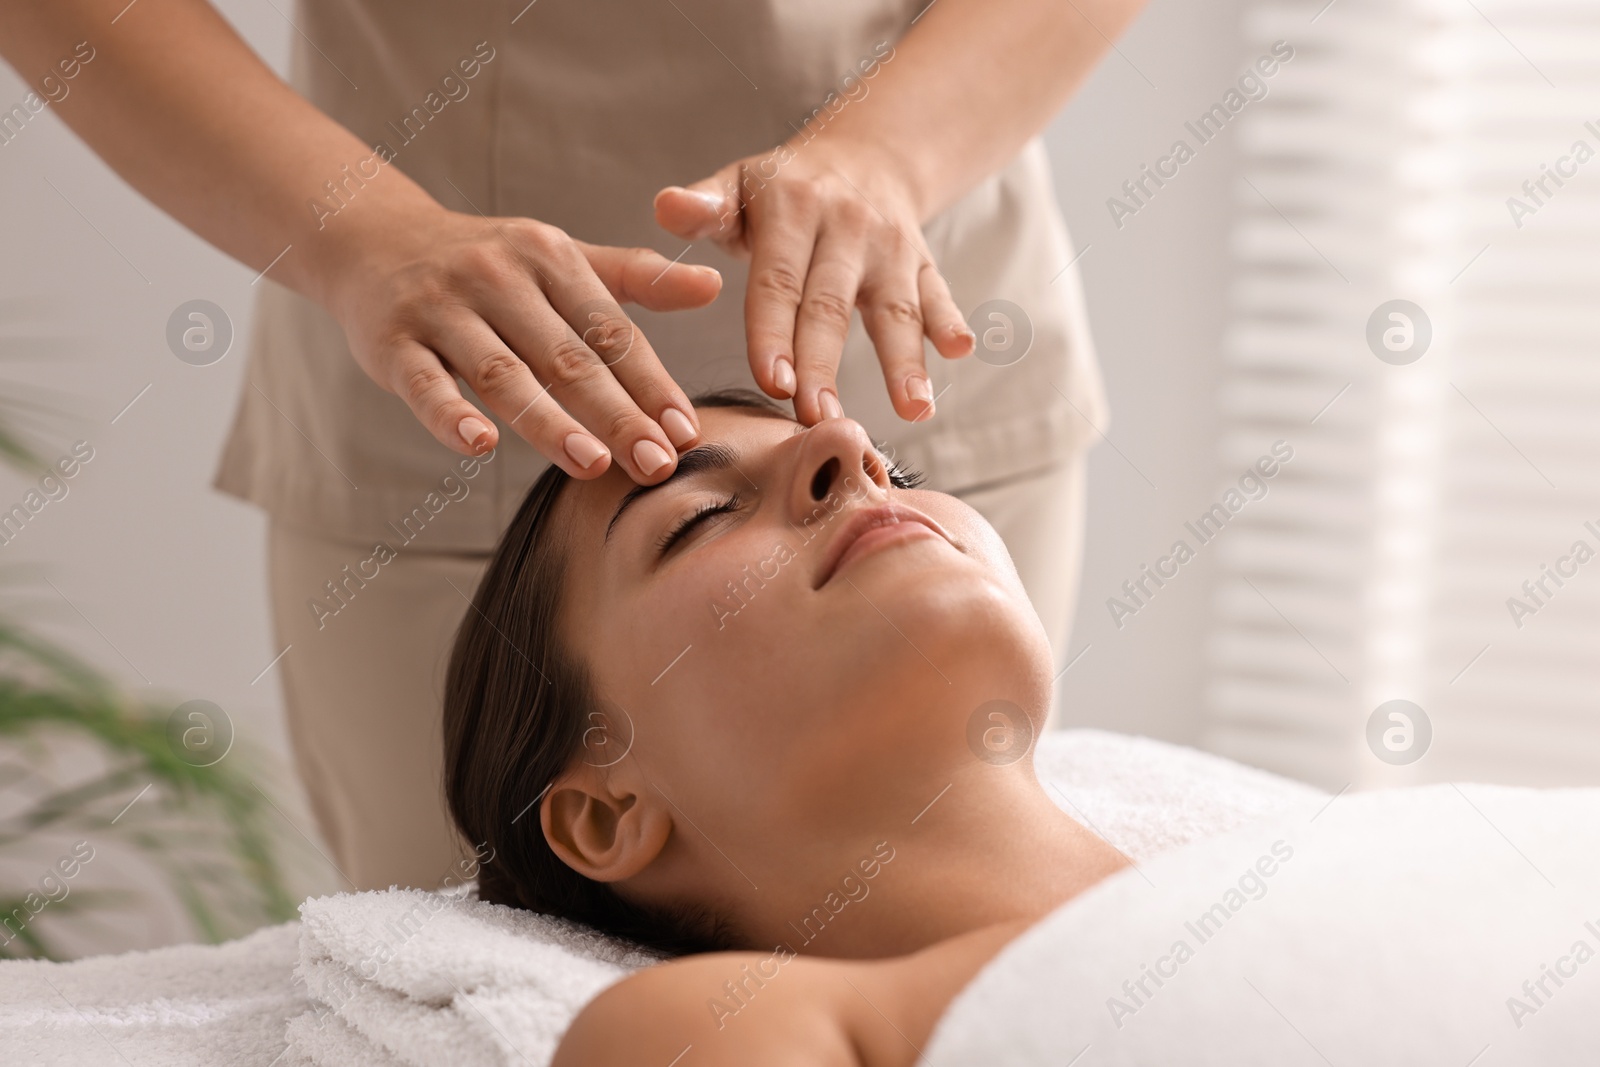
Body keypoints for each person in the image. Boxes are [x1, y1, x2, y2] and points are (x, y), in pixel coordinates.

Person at [0, 0, 1144, 890]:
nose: (841, 451)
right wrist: (368, 236)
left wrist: (891, 155)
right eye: (688, 514)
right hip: (444, 404)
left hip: (916, 285)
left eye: (893, 474)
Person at [444, 389, 1131, 1063]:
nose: (851, 444)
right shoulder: (693, 1029)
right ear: (608, 812)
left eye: (900, 472)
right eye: (703, 516)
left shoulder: (1231, 870)